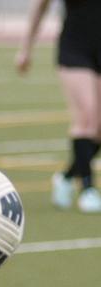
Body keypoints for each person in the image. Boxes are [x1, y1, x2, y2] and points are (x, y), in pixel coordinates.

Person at [16, 0, 101, 213]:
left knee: (98, 131)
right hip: (76, 49)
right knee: (87, 119)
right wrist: (26, 49)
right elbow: (40, 7)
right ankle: (88, 190)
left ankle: (66, 177)